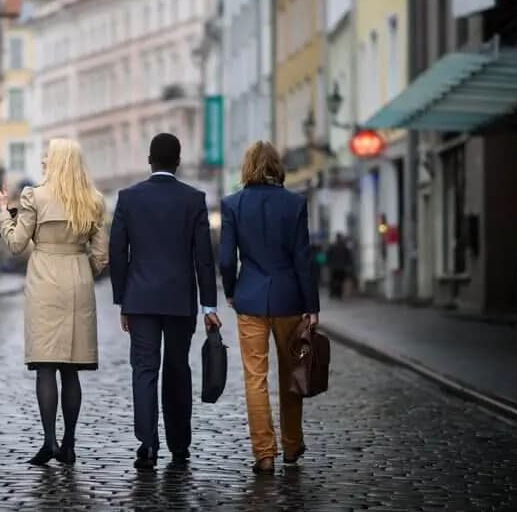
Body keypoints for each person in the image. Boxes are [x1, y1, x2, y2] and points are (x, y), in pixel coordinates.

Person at [0, 139, 108, 466]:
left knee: (46, 365)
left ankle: (49, 441)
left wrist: (3, 211)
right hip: (78, 281)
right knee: (71, 368)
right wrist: (83, 270)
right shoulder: (93, 201)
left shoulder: (34, 196)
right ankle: (69, 443)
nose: (43, 159)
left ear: (56, 161)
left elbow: (15, 243)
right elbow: (101, 256)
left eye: (47, 154)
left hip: (44, 281)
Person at [109, 133, 220, 471]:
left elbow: (117, 252)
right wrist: (209, 307)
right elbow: (204, 258)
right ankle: (179, 444)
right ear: (179, 161)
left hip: (140, 301)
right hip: (179, 301)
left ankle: (146, 444)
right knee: (177, 369)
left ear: (149, 160)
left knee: (144, 370)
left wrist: (122, 300)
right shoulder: (194, 199)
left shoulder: (128, 198)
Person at [219, 140, 319, 474]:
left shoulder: (233, 204)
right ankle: (291, 446)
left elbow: (225, 259)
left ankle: (264, 453)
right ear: (277, 166)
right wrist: (312, 305)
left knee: (255, 378)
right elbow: (302, 259)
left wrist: (231, 291)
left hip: (250, 299)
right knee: (292, 374)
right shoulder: (295, 204)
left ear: (247, 167)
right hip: (290, 299)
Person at [326, 233, 354, 300]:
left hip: (334, 267)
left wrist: (328, 264)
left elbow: (328, 256)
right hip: (341, 267)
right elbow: (348, 257)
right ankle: (339, 294)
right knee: (340, 281)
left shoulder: (332, 246)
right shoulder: (344, 247)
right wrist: (349, 265)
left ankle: (333, 293)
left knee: (334, 280)